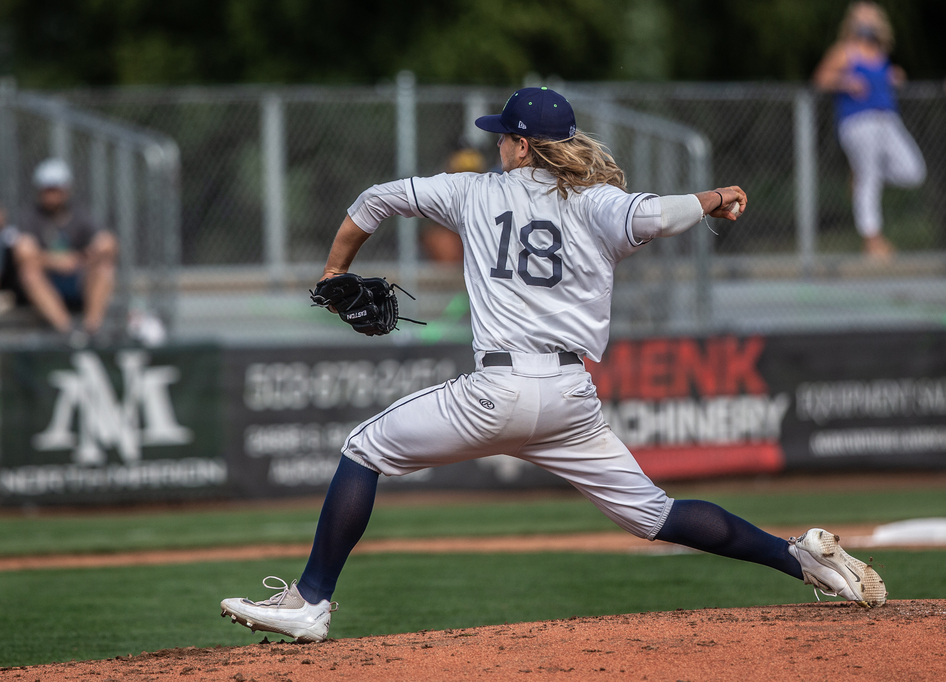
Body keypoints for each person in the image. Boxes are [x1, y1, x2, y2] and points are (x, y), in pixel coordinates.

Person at [220, 86, 887, 643]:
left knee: (364, 449)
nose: (497, 147)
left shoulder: (471, 193)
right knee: (655, 514)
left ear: (519, 145)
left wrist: (334, 270)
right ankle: (799, 559)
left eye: (502, 138)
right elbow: (657, 216)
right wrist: (713, 197)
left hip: (497, 390)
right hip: (569, 397)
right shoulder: (596, 203)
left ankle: (311, 601)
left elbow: (372, 200)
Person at [813, 1, 926, 258]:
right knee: (870, 179)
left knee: (912, 172)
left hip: (888, 119)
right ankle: (872, 241)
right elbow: (820, 79)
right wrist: (845, 81)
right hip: (858, 121)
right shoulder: (845, 51)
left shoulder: (880, 53)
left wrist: (893, 76)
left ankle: (860, 173)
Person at [11, 158, 118, 344]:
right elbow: (22, 252)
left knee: (105, 268)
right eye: (47, 188)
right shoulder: (29, 217)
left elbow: (108, 243)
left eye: (56, 188)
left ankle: (92, 330)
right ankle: (67, 332)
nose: (52, 194)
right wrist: (55, 261)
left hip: (77, 279)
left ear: (66, 189)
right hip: (47, 281)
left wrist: (79, 259)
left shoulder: (80, 214)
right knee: (29, 273)